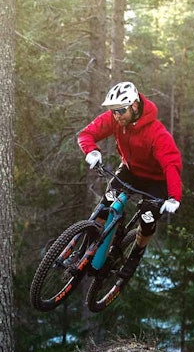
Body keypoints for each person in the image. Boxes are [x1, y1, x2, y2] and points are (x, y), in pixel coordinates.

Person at [77, 81, 183, 277]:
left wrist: (173, 197)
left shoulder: (157, 133)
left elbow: (171, 164)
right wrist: (91, 151)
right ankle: (87, 248)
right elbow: (86, 134)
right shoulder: (116, 119)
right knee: (106, 204)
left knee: (147, 216)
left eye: (120, 111)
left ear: (134, 106)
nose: (116, 116)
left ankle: (135, 254)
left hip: (156, 180)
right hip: (130, 170)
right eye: (113, 111)